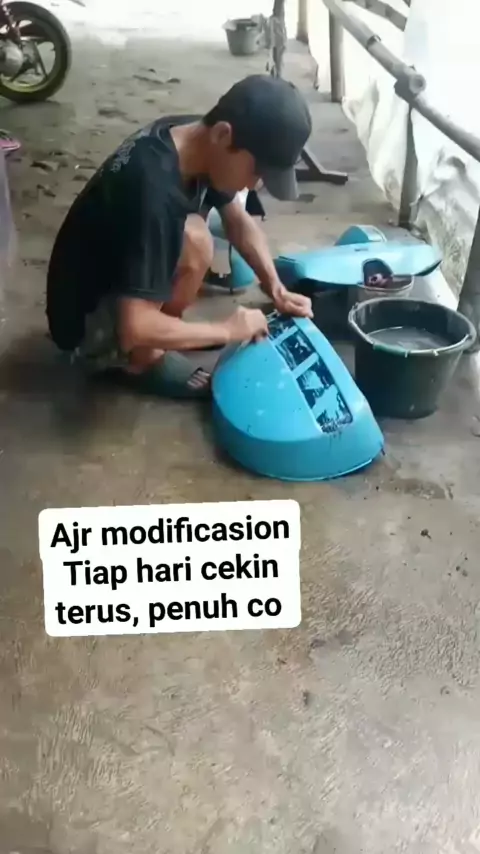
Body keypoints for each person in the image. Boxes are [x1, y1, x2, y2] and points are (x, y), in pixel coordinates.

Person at [46, 74, 314, 399]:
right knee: (194, 239)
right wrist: (227, 330)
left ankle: (169, 332)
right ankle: (140, 360)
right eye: (256, 172)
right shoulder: (151, 190)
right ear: (222, 134)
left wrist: (276, 287)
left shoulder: (197, 138)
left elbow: (237, 221)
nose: (253, 185)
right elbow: (134, 327)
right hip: (84, 324)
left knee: (197, 231)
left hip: (112, 275)